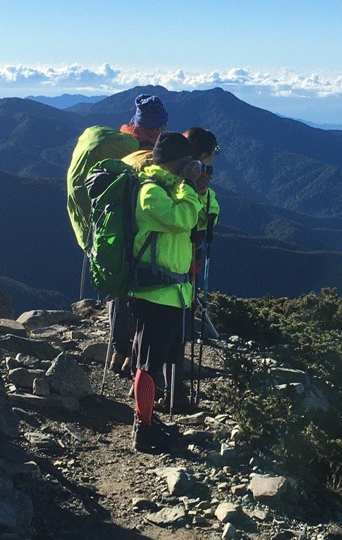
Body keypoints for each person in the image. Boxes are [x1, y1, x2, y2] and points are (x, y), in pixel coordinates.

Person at [129, 131, 210, 452]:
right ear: (179, 162)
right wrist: (189, 187)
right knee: (148, 362)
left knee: (159, 356)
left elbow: (201, 219)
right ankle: (143, 429)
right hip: (153, 293)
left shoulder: (173, 188)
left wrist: (198, 190)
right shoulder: (150, 191)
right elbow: (182, 220)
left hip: (173, 292)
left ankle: (147, 418)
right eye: (190, 163)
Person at [157, 128, 221, 411]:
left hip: (156, 261)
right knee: (177, 329)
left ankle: (167, 387)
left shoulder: (164, 173)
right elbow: (204, 222)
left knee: (164, 331)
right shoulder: (183, 181)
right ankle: (172, 390)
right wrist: (200, 191)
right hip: (181, 262)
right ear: (205, 153)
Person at [107, 94, 169, 377]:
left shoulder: (125, 153)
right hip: (142, 237)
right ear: (157, 129)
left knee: (119, 292)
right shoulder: (149, 162)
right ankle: (135, 358)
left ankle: (118, 350)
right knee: (139, 296)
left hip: (116, 235)